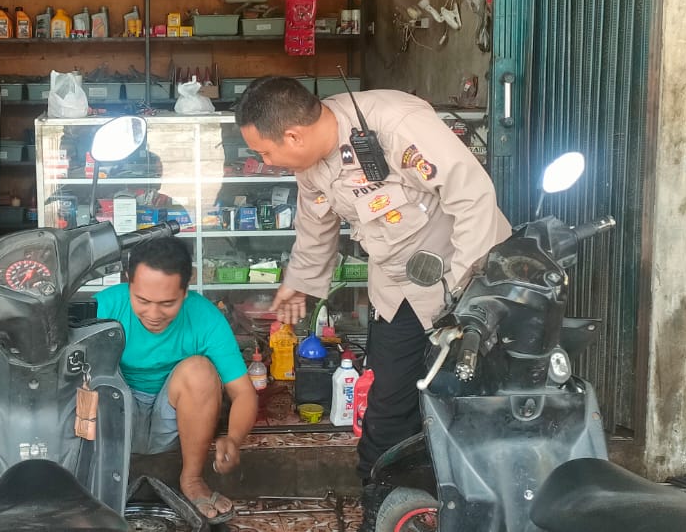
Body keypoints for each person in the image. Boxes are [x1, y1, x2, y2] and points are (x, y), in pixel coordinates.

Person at [234, 76, 511, 530]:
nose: (266, 163)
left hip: (467, 282)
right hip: (398, 292)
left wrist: (464, 293)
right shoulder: (311, 163)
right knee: (387, 409)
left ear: (293, 136)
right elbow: (315, 224)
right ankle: (381, 510)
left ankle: (478, 510)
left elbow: (473, 198)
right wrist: (300, 282)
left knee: (471, 401)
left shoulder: (396, 125)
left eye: (264, 152)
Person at [94, 237, 256, 525]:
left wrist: (233, 438)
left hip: (172, 423)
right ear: (128, 281)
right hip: (116, 419)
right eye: (142, 301)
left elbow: (243, 393)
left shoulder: (205, 317)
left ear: (185, 289)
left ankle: (192, 479)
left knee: (199, 371)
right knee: (88, 371)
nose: (153, 314)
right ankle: (96, 480)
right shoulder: (104, 306)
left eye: (167, 303)